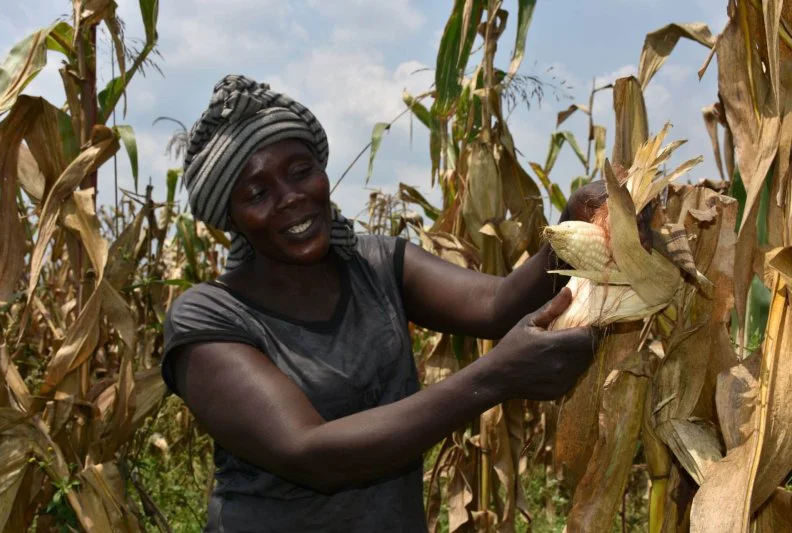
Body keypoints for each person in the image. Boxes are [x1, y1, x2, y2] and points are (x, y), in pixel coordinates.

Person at [162, 75, 601, 533]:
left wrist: (576, 227)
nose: (290, 197)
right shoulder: (208, 317)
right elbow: (310, 453)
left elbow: (496, 305)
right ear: (229, 216)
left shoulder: (376, 264)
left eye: (300, 171)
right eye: (257, 193)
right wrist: (497, 377)